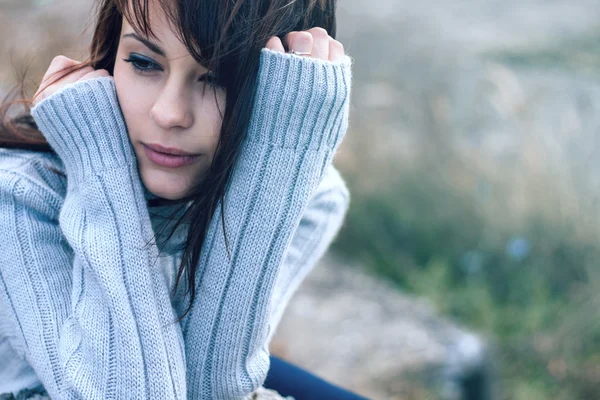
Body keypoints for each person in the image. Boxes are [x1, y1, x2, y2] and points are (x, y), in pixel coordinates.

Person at [0, 0, 364, 399]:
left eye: (218, 77)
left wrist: (273, 175)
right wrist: (100, 170)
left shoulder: (311, 200)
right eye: (143, 62)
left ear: (279, 91)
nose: (169, 113)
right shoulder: (19, 195)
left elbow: (213, 386)